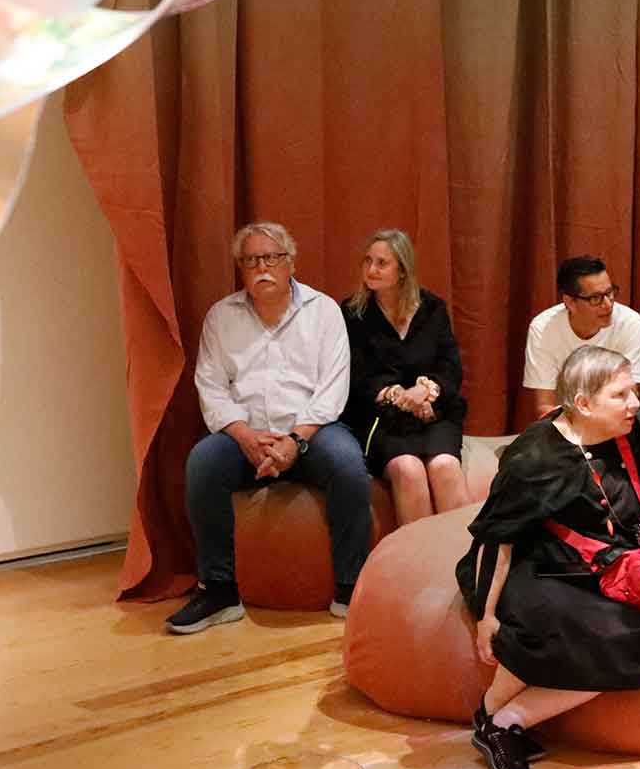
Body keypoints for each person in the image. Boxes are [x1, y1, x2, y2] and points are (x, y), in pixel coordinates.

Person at [456, 346, 640, 769]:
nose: (635, 404)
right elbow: (499, 538)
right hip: (540, 563)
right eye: (620, 395)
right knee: (563, 625)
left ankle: (505, 721)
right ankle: (492, 711)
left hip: (612, 560)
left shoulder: (636, 431)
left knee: (638, 634)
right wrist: (487, 615)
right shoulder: (535, 457)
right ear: (584, 404)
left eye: (633, 392)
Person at [172, 221, 374, 630]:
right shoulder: (221, 317)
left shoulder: (323, 311)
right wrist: (245, 436)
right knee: (202, 464)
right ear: (241, 269)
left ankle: (351, 588)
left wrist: (294, 441)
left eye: (270, 258)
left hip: (312, 432)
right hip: (244, 435)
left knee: (349, 464)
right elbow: (211, 387)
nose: (261, 267)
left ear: (290, 263)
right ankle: (219, 591)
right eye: (250, 261)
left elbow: (333, 388)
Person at [341, 229, 469, 525]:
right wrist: (398, 395)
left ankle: (464, 553)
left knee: (445, 467)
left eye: (381, 263)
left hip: (433, 412)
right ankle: (418, 555)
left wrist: (427, 391)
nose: (371, 270)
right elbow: (354, 376)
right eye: (367, 261)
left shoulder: (432, 308)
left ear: (402, 270)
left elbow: (450, 366)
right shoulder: (351, 313)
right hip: (380, 417)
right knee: (408, 470)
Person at [521, 255, 640, 417]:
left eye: (609, 293)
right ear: (570, 302)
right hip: (566, 419)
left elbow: (629, 395)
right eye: (595, 298)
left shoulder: (630, 323)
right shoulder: (543, 328)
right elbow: (545, 406)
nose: (607, 304)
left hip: (615, 418)